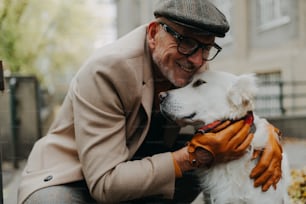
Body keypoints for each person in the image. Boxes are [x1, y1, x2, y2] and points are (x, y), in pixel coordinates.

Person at [18, 0, 283, 203]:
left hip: (138, 162)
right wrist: (191, 157)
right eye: (186, 42)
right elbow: (104, 184)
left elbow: (227, 111)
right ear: (154, 33)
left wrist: (264, 132)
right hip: (73, 177)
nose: (197, 59)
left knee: (215, 158)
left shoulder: (192, 67)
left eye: (206, 48)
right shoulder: (107, 70)